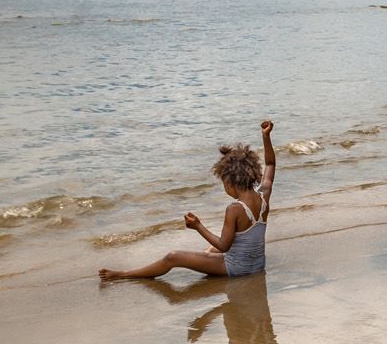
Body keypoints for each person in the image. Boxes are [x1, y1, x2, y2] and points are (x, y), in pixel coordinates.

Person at [99, 120, 276, 281]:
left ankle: (123, 274)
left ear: (230, 181)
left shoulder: (235, 208)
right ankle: (204, 259)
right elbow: (270, 165)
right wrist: (266, 137)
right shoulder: (263, 195)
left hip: (237, 269)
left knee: (173, 257)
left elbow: (223, 246)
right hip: (257, 264)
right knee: (209, 252)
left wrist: (198, 226)